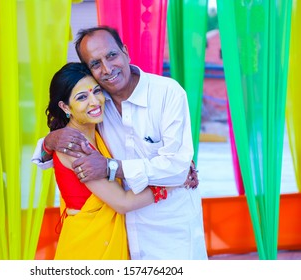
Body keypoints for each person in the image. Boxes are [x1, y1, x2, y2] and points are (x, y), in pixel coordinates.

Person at [32, 26, 207, 260]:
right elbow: (62, 151)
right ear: (90, 70)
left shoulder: (167, 93)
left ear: (125, 52)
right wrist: (49, 141)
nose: (107, 69)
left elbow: (176, 168)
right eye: (95, 64)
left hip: (171, 233)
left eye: (111, 55)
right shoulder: (98, 107)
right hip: (117, 236)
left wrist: (111, 167)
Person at [44, 62, 172, 260]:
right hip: (89, 246)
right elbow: (122, 202)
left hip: (102, 240)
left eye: (96, 91)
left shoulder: (99, 131)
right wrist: (171, 183)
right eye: (82, 97)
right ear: (64, 106)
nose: (95, 102)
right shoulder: (75, 145)